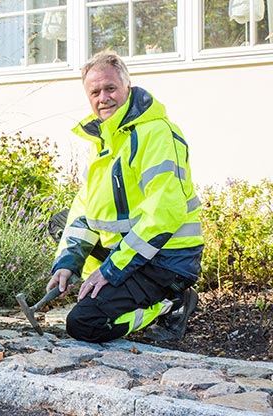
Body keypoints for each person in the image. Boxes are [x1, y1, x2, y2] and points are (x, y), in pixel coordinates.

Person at [47, 51, 204, 343]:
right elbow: (85, 211)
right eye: (95, 92)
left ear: (127, 88)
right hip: (135, 251)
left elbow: (164, 214)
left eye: (110, 88)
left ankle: (170, 304)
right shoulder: (104, 140)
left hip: (168, 259)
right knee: (58, 224)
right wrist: (67, 263)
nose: (103, 97)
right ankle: (109, 291)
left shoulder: (157, 133)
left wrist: (111, 270)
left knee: (84, 324)